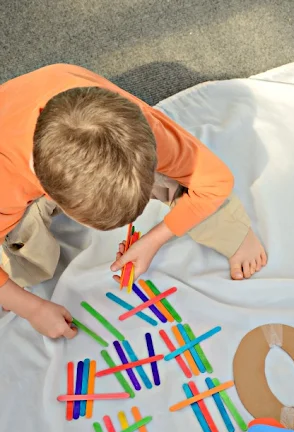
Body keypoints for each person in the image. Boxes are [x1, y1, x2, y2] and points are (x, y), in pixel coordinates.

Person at [0, 64, 267, 339]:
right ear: (49, 192)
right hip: (15, 153)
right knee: (25, 262)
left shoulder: (142, 134)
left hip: (61, 102)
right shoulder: (7, 182)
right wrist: (31, 308)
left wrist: (153, 240)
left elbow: (215, 182)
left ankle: (232, 232)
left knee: (188, 184)